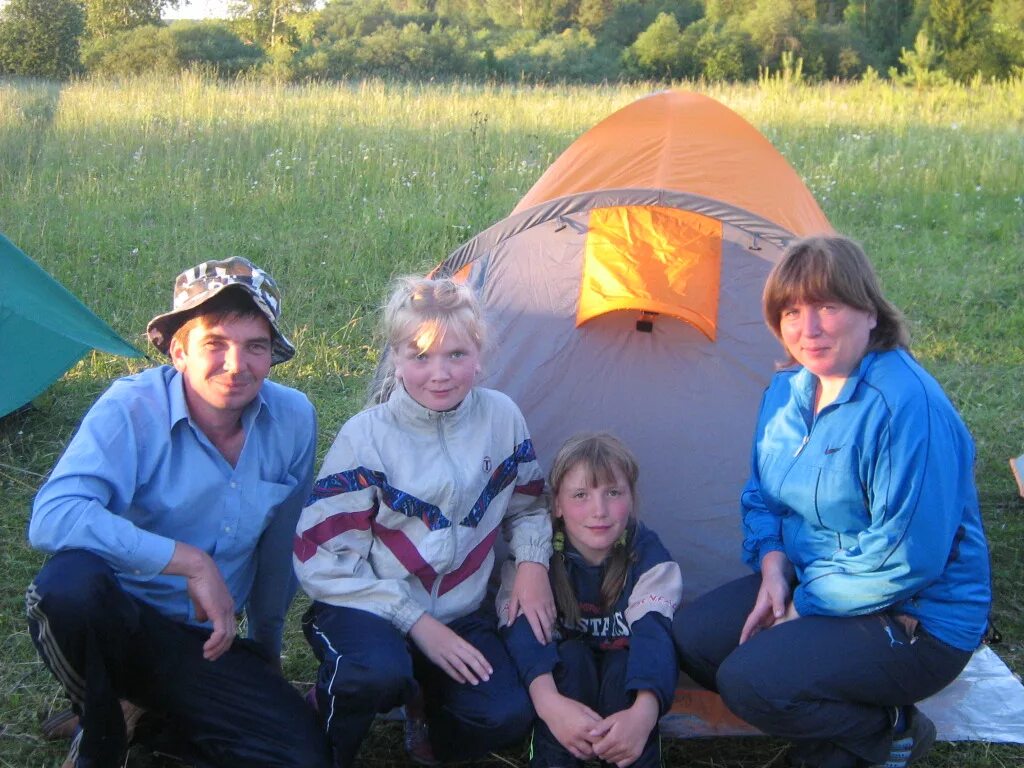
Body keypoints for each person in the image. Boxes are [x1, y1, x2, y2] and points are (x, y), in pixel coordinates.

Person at [673, 235, 992, 768]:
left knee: (748, 680)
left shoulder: (906, 406)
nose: (809, 328)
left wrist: (803, 606)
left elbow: (907, 558)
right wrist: (773, 567)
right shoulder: (788, 391)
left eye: (827, 306)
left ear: (869, 311)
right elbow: (762, 495)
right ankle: (839, 717)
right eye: (792, 311)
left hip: (916, 615)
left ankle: (887, 730)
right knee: (697, 640)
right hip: (816, 575)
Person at [25, 256, 330, 768]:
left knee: (300, 756)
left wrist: (265, 654)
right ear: (178, 351)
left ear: (272, 355)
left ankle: (151, 712)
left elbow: (280, 546)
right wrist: (187, 561)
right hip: (119, 621)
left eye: (255, 345)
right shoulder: (130, 407)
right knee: (67, 587)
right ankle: (101, 717)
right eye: (215, 343)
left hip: (208, 640)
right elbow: (53, 514)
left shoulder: (293, 418)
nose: (237, 365)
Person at [293, 275, 554, 767]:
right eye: (420, 356)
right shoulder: (366, 437)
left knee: (505, 714)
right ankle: (323, 743)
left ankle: (428, 715)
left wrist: (532, 564)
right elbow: (322, 557)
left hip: (461, 609)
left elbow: (530, 505)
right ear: (395, 358)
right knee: (372, 674)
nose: (440, 373)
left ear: (479, 355)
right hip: (370, 607)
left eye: (456, 355)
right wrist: (414, 622)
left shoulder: (503, 418)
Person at [500, 432, 683, 768]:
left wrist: (644, 712)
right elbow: (522, 633)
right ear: (556, 504)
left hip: (622, 682)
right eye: (581, 495)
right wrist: (550, 705)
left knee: (624, 668)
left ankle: (630, 752)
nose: (599, 511)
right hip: (564, 684)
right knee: (569, 661)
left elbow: (655, 635)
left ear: (631, 499)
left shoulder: (649, 557)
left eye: (613, 493)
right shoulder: (534, 562)